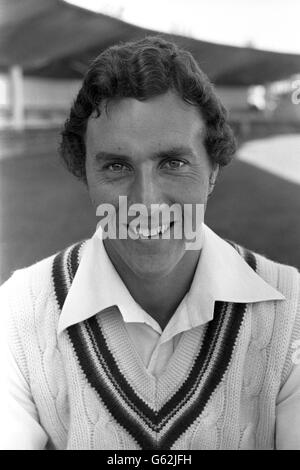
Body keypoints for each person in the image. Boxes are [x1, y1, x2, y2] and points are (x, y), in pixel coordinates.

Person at [0, 36, 299, 450]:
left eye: (173, 163)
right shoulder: (16, 313)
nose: (145, 202)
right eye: (116, 166)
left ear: (213, 170)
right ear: (85, 172)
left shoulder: (292, 309)